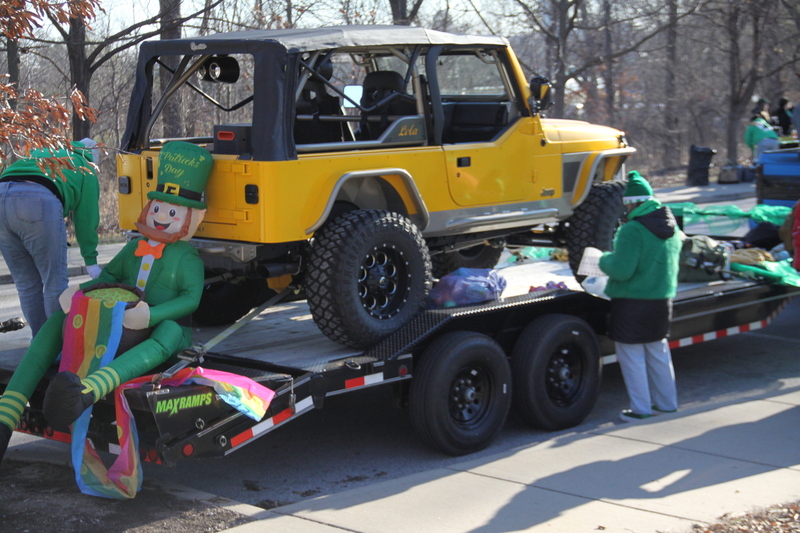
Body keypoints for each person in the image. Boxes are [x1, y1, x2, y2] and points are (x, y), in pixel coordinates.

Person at [0, 141, 214, 462]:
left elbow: (191, 299)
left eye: (172, 212)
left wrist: (152, 315)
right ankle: (7, 412)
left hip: (156, 327)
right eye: (157, 208)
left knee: (169, 331)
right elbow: (108, 275)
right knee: (59, 317)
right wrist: (79, 291)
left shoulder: (188, 259)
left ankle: (84, 393)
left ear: (192, 218)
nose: (160, 217)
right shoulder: (133, 247)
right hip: (117, 319)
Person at [597, 171, 683, 422]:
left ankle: (641, 409)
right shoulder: (671, 225)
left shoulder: (632, 230)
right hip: (661, 301)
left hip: (632, 304)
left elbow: (621, 271)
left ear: (632, 203)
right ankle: (667, 404)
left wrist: (603, 259)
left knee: (632, 358)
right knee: (659, 354)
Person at [0, 139, 101, 336]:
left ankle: (40, 346)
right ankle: (56, 347)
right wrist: (91, 262)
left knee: (26, 284)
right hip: (37, 200)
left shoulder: (43, 152)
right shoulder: (85, 167)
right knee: (55, 282)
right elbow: (86, 220)